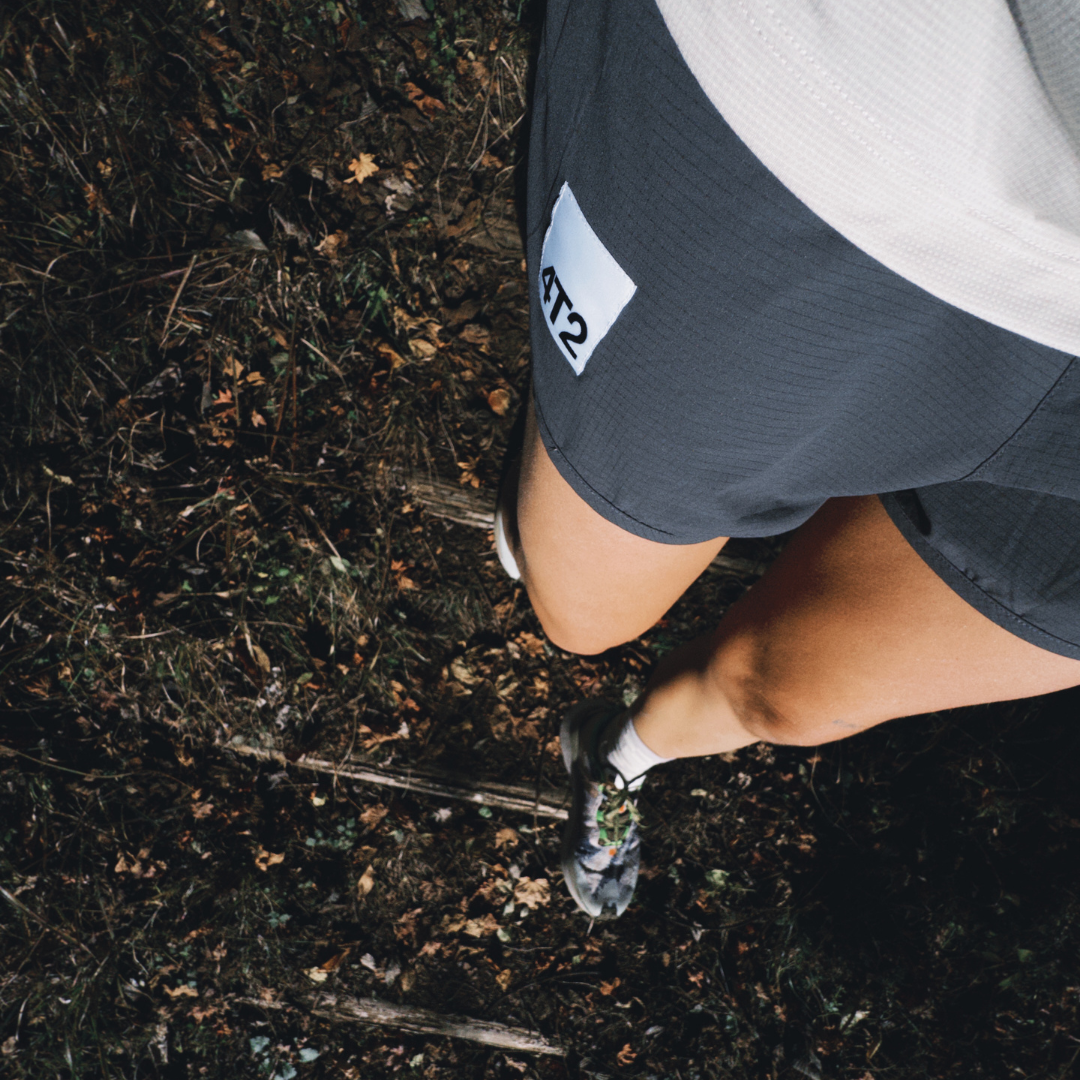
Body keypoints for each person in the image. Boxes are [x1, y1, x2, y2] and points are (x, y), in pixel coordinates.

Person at [495, 0, 1080, 918]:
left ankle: (617, 757)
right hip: (876, 126)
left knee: (790, 697)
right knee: (579, 608)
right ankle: (572, 387)